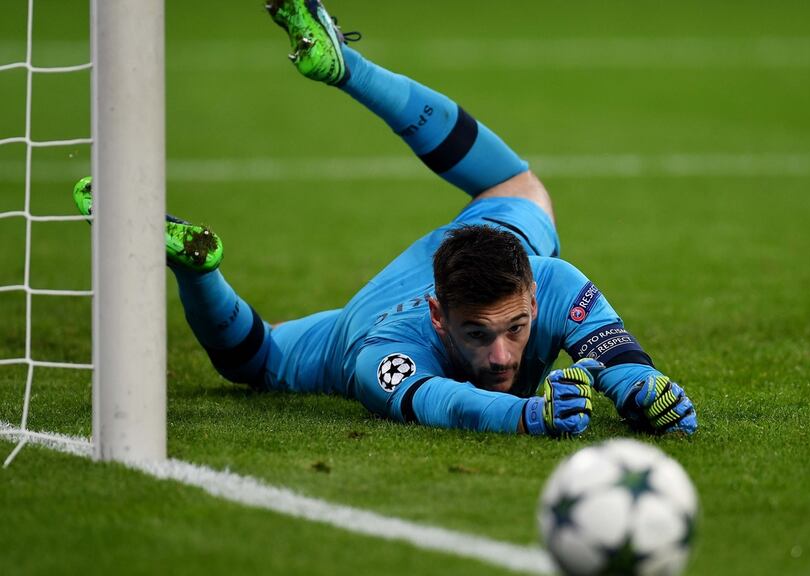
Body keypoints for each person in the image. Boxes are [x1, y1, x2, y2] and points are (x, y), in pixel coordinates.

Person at [73, 0, 697, 437]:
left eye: (516, 327)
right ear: (438, 318)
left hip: (484, 243)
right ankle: (198, 267)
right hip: (362, 317)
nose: (504, 357)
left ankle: (347, 66)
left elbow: (618, 353)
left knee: (516, 186)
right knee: (253, 365)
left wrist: (645, 391)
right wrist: (529, 416)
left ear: (533, 290)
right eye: (476, 335)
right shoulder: (382, 352)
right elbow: (446, 404)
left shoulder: (553, 281)